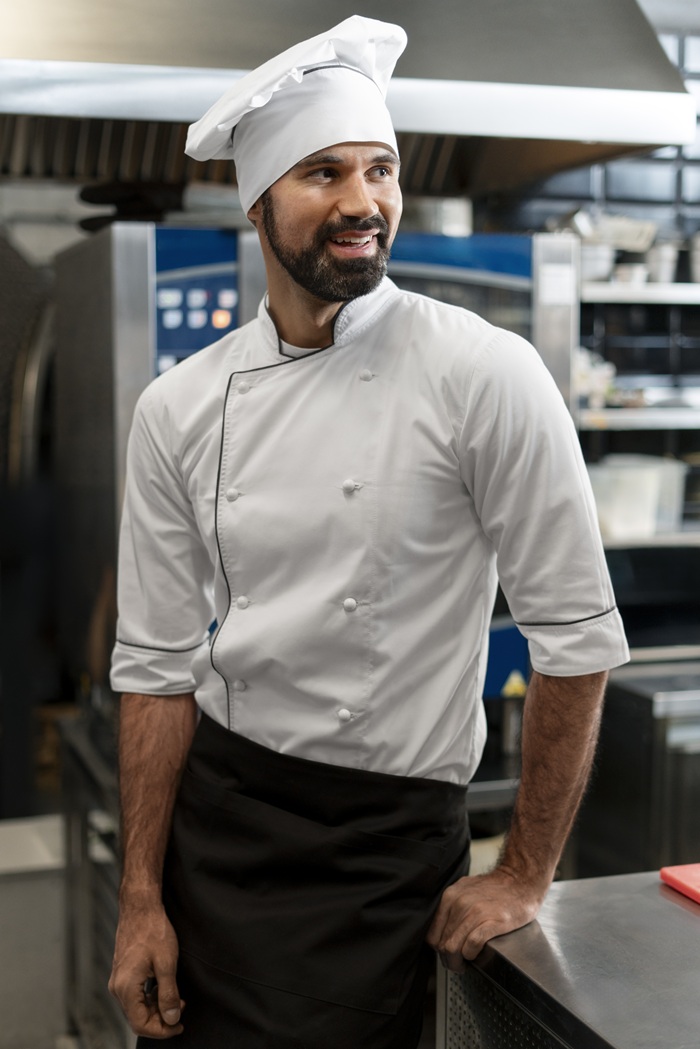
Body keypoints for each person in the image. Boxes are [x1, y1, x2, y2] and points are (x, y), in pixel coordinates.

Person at [108, 14, 629, 1049]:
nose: (362, 203)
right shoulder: (179, 405)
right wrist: (138, 896)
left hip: (384, 851)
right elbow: (156, 666)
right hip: (219, 827)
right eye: (323, 174)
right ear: (257, 203)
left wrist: (524, 870)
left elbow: (576, 634)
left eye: (380, 170)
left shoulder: (483, 372)